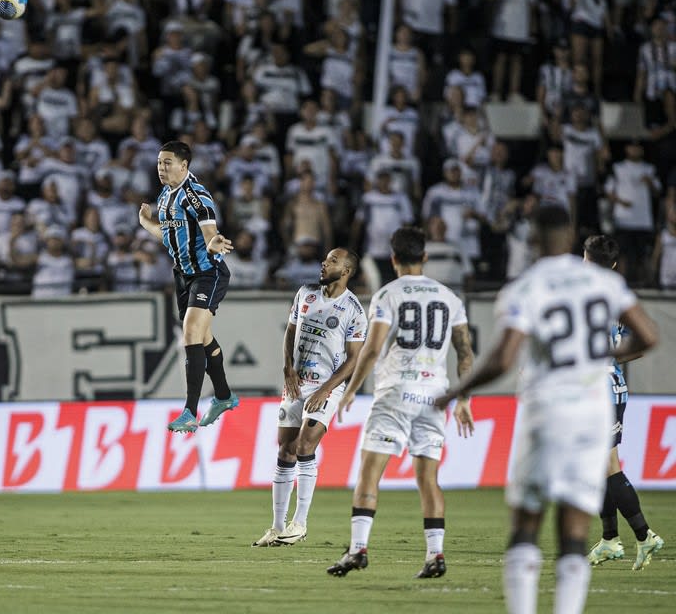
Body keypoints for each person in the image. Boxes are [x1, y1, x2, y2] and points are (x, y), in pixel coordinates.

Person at [435, 207, 658, 614]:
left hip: (547, 411)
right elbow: (649, 334)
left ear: (534, 238)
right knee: (574, 531)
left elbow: (502, 360)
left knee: (526, 526)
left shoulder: (527, 286)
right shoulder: (604, 283)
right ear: (570, 237)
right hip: (592, 412)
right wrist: (598, 355)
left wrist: (456, 392)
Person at [326, 226, 474, 579]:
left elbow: (374, 349)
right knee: (429, 479)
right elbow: (465, 352)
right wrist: (464, 398)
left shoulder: (387, 295)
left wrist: (350, 389)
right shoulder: (450, 298)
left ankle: (358, 549)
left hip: (396, 392)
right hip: (436, 395)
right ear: (424, 257)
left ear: (392, 259)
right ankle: (435, 555)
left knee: (369, 474)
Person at [252, 247, 366, 548]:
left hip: (325, 387)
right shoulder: (305, 294)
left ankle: (300, 523)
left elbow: (354, 360)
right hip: (296, 383)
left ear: (346, 271)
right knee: (285, 450)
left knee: (304, 445)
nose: (324, 263)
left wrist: (327, 389)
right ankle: (277, 528)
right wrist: (287, 368)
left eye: (332, 261)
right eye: (326, 259)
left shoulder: (354, 310)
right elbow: (290, 332)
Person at [138, 141, 237, 433]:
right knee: (203, 337)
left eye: (167, 163)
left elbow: (210, 232)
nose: (161, 167)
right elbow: (167, 234)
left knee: (191, 331)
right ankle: (223, 396)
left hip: (209, 272)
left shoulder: (196, 195)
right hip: (183, 276)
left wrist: (215, 241)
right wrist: (146, 223)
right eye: (159, 162)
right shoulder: (166, 195)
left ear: (184, 165)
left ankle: (189, 411)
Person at [582, 236, 665, 570]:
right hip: (613, 383)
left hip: (592, 389)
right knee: (601, 465)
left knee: (608, 466)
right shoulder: (618, 296)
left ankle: (644, 536)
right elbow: (643, 343)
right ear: (614, 265)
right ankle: (609, 539)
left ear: (584, 259)